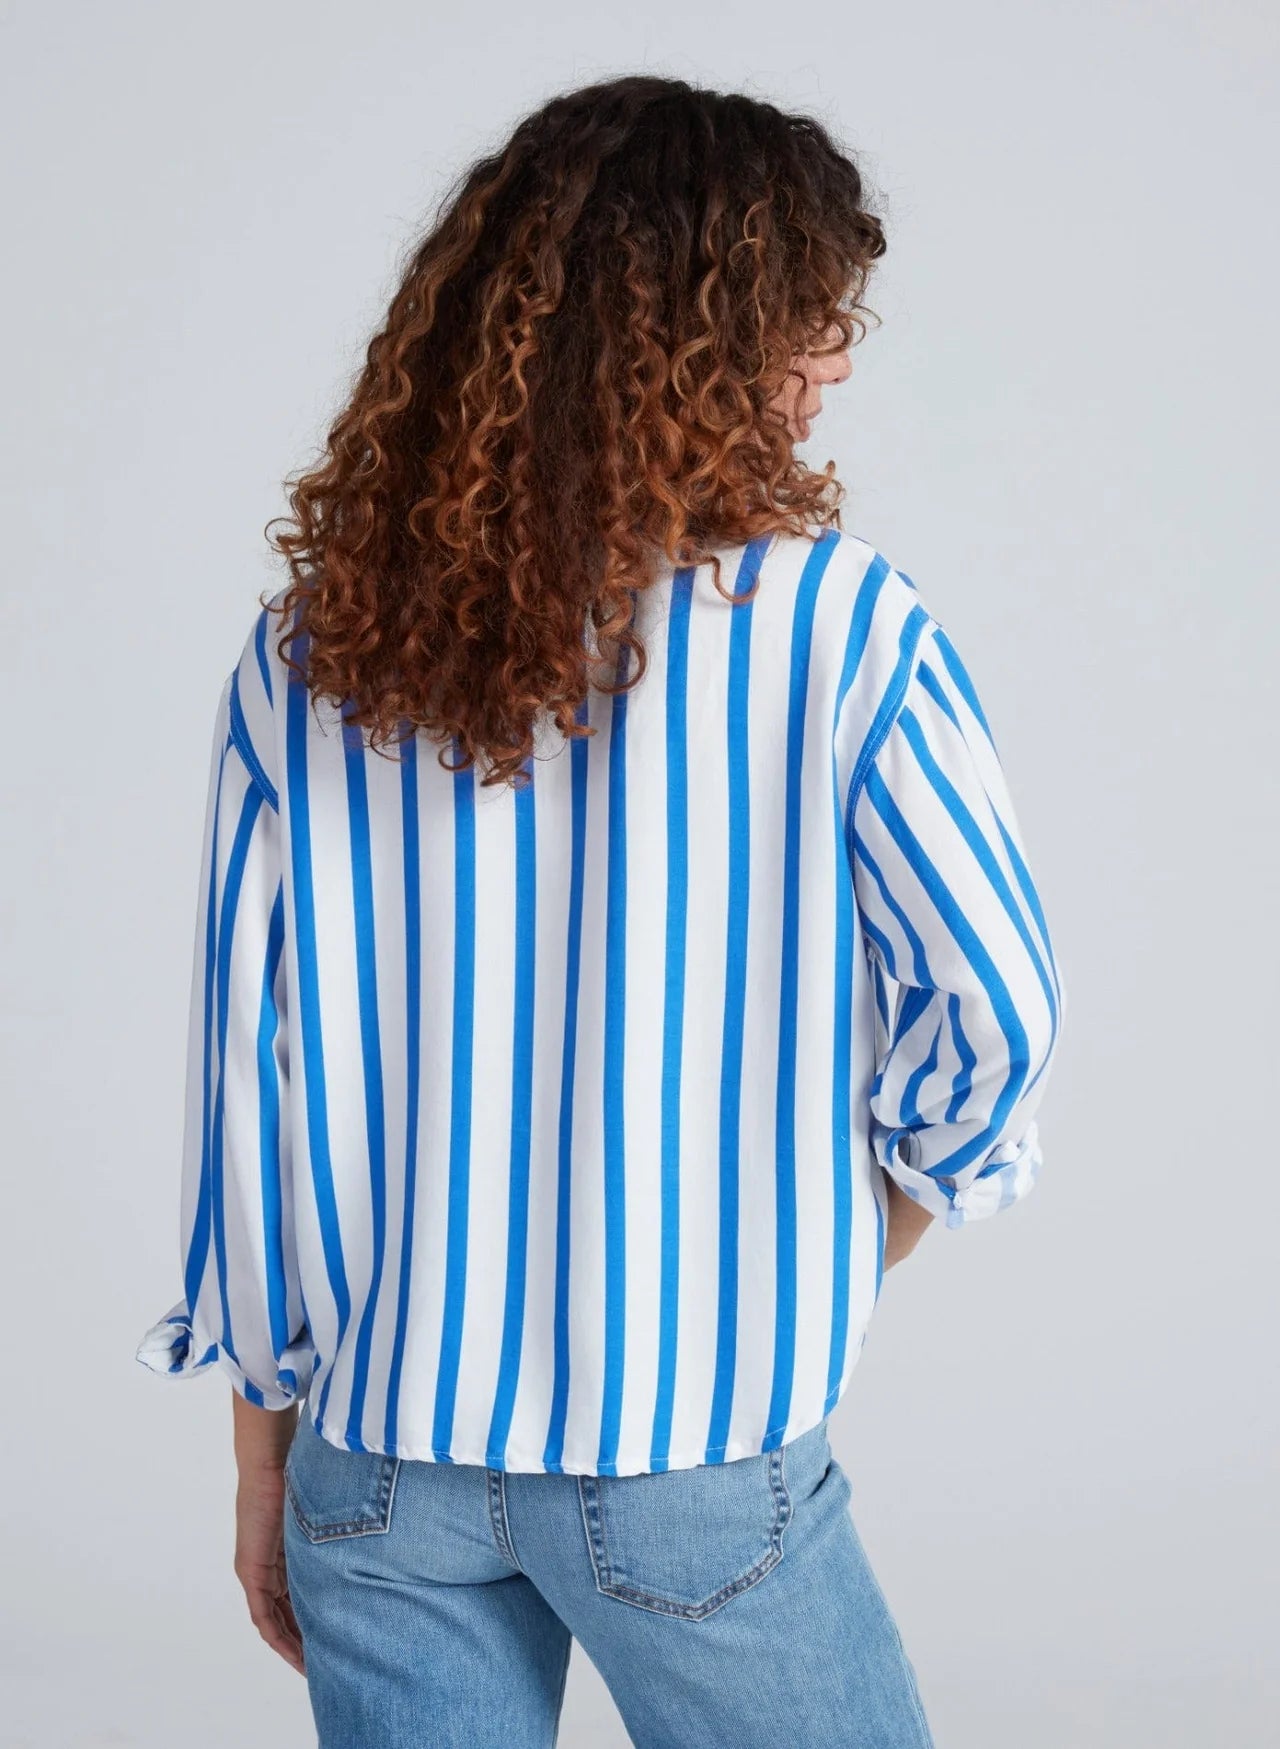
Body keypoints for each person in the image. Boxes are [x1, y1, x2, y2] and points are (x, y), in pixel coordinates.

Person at [135, 73, 1065, 1749]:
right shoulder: (840, 627)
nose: (836, 364)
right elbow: (997, 1013)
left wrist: (261, 1451)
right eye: (806, 318)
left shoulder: (309, 651)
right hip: (696, 1461)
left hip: (378, 1459)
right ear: (699, 339)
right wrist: (839, 1251)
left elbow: (246, 1084)